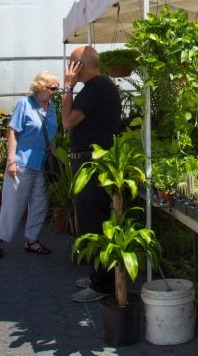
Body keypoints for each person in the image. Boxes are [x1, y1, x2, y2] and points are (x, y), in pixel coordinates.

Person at [62, 45, 121, 302]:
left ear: (79, 66)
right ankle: (99, 277)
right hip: (91, 163)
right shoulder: (99, 87)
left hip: (92, 165)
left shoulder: (97, 86)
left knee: (94, 222)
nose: (68, 67)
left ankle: (103, 284)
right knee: (90, 220)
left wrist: (68, 87)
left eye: (71, 62)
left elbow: (67, 121)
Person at [0, 71, 60, 260]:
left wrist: (54, 159)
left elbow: (52, 135)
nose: (55, 92)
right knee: (13, 203)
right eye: (52, 88)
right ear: (41, 87)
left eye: (57, 89)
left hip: (42, 162)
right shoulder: (25, 104)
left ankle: (32, 239)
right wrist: (11, 160)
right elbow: (13, 132)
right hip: (22, 160)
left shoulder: (52, 108)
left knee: (39, 202)